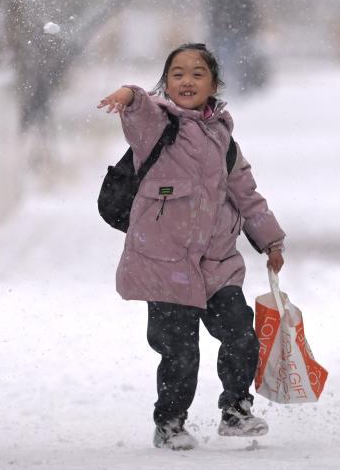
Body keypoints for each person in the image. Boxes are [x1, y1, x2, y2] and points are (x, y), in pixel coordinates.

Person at [97, 42, 286, 451]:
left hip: (218, 262)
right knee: (180, 354)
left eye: (198, 73)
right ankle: (169, 423)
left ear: (214, 83)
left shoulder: (224, 138)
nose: (187, 80)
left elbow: (247, 195)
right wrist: (128, 94)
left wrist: (271, 239)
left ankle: (236, 410)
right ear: (166, 83)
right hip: (165, 264)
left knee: (241, 336)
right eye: (177, 73)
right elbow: (139, 107)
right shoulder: (158, 126)